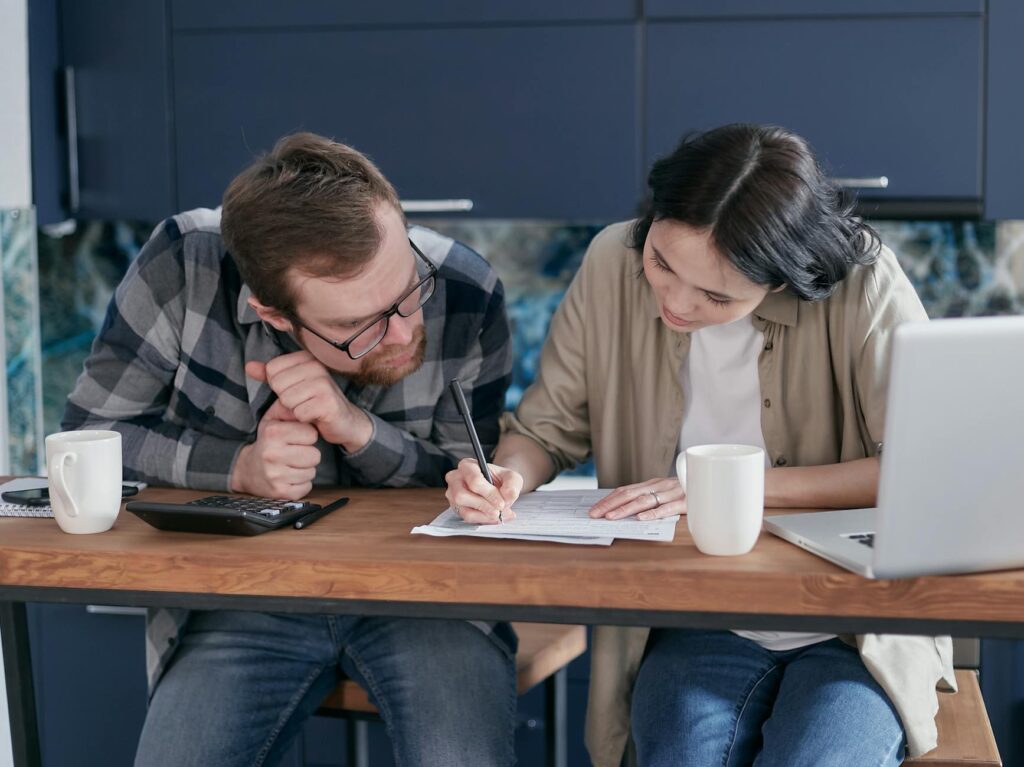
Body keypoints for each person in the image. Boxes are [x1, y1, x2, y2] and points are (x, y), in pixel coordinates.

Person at [445, 124, 955, 766]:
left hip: (854, 622)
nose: (675, 304)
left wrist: (729, 490)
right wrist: (504, 474)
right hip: (696, 610)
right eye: (660, 263)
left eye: (717, 295)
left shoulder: (864, 283)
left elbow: (927, 468)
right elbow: (546, 430)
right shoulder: (610, 260)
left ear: (782, 279)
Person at [63, 132, 517, 766]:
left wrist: (356, 429)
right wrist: (240, 469)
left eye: (409, 290)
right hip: (241, 593)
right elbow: (89, 439)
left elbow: (469, 477)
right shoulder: (183, 265)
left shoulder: (467, 290)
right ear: (274, 315)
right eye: (362, 326)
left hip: (432, 597)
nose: (408, 329)